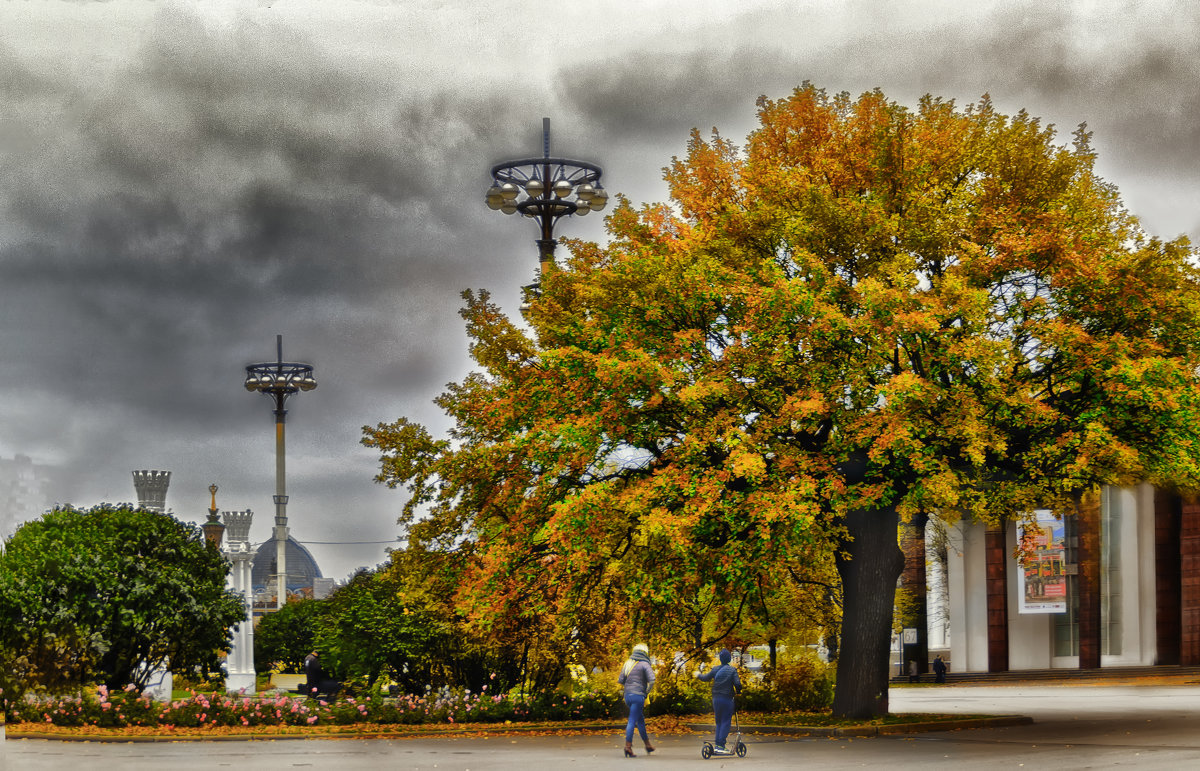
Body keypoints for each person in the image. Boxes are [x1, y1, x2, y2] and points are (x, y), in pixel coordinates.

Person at [695, 649, 742, 756]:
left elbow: (705, 678)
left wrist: (698, 674)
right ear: (729, 659)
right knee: (725, 721)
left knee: (719, 722)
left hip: (716, 699)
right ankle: (720, 746)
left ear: (720, 659)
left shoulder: (715, 669)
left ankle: (718, 745)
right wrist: (738, 691)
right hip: (727, 699)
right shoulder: (732, 670)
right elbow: (738, 684)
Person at [617, 643, 656, 758]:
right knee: (632, 721)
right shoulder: (644, 664)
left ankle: (648, 745)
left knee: (640, 721)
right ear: (645, 652)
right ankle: (628, 747)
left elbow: (621, 680)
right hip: (638, 696)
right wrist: (646, 692)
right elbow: (652, 680)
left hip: (628, 696)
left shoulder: (628, 663)